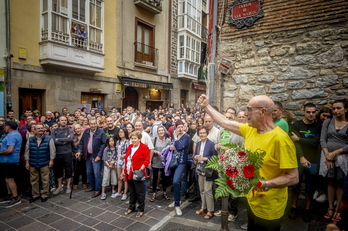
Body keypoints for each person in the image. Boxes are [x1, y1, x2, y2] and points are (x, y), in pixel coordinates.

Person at [197, 94, 298, 231]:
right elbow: (224, 122)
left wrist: (265, 184)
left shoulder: (281, 140)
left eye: (249, 109)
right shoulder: (250, 130)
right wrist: (206, 106)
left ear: (263, 112)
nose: (245, 113)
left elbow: (293, 177)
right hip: (252, 201)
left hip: (269, 209)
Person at [288, 103, 322, 222]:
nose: (311, 114)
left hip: (313, 160)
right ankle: (294, 207)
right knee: (295, 185)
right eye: (308, 112)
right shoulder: (296, 125)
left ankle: (307, 209)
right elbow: (294, 144)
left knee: (310, 186)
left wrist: (299, 139)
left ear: (315, 112)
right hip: (297, 159)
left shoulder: (319, 126)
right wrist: (302, 157)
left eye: (313, 112)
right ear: (304, 112)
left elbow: (316, 142)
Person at [319, 99, 348, 220]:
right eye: (334, 108)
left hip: (342, 158)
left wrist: (335, 153)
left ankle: (338, 210)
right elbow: (322, 139)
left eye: (339, 108)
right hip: (327, 157)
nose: (335, 111)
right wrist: (327, 154)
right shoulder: (328, 122)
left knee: (340, 183)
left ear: (346, 109)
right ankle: (330, 207)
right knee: (330, 181)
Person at [24, 123, 56, 203]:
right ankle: (35, 195)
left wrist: (51, 160)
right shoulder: (30, 139)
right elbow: (27, 151)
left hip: (44, 162)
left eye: (42, 128)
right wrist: (27, 162)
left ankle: (44, 195)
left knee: (45, 180)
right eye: (38, 128)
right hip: (33, 162)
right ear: (34, 130)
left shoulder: (49, 138)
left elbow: (52, 151)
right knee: (33, 180)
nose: (41, 130)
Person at [123, 131, 150, 218]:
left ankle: (141, 209)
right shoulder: (130, 147)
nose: (133, 140)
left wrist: (142, 168)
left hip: (137, 173)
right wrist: (124, 170)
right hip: (129, 172)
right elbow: (127, 160)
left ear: (139, 139)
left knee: (140, 192)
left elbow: (147, 160)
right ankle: (131, 207)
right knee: (132, 191)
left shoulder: (144, 147)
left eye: (135, 138)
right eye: (132, 138)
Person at [76, 118, 106, 198]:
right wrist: (79, 151)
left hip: (96, 155)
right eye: (91, 124)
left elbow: (103, 144)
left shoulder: (101, 132)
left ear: (96, 124)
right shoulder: (86, 131)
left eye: (94, 123)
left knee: (96, 173)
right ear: (89, 124)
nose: (93, 125)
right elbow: (81, 142)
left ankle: (98, 190)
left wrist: (99, 155)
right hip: (88, 155)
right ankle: (92, 186)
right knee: (89, 172)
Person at [194, 126, 218, 220]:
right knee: (202, 190)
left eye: (204, 133)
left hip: (208, 170)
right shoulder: (198, 143)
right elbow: (195, 155)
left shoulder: (211, 144)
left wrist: (205, 158)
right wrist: (195, 158)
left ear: (207, 133)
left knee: (208, 190)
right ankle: (203, 208)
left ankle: (210, 210)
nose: (202, 134)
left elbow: (215, 157)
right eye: (200, 133)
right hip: (200, 169)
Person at [168, 120, 191, 216]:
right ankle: (176, 200)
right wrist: (172, 145)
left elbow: (180, 147)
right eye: (178, 127)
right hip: (173, 162)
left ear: (184, 127)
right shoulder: (174, 135)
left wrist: (176, 138)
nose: (180, 129)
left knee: (176, 181)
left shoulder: (187, 137)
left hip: (181, 162)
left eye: (182, 127)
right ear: (176, 127)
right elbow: (171, 146)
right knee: (174, 182)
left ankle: (177, 205)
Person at [0, 121, 22, 208]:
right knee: (7, 179)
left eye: (5, 126)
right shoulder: (15, 134)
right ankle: (9, 195)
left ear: (8, 127)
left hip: (9, 160)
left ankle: (15, 198)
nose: (4, 128)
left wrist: (0, 152)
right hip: (7, 160)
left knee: (10, 179)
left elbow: (10, 150)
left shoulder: (12, 135)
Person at [51, 116, 74, 194]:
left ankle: (68, 186)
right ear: (59, 121)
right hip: (58, 153)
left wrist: (58, 139)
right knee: (58, 171)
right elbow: (53, 141)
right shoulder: (54, 131)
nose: (64, 121)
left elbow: (70, 139)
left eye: (65, 120)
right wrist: (64, 140)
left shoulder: (69, 130)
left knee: (68, 170)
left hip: (67, 153)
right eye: (62, 120)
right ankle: (59, 186)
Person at [150, 126, 171, 202]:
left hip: (165, 162)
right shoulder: (154, 139)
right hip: (156, 161)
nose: (161, 132)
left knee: (164, 178)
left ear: (164, 131)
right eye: (159, 131)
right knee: (155, 178)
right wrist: (156, 152)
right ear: (157, 132)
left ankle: (164, 192)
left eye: (162, 130)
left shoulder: (168, 140)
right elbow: (151, 149)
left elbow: (170, 150)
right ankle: (154, 193)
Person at [115, 128, 130, 200]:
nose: (120, 133)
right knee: (119, 177)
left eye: (122, 132)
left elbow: (129, 151)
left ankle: (125, 193)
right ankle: (119, 192)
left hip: (125, 162)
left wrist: (125, 155)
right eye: (119, 132)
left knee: (125, 178)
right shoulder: (118, 142)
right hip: (118, 161)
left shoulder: (128, 141)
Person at [72, 124, 87, 190]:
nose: (78, 130)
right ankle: (75, 183)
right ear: (74, 130)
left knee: (84, 170)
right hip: (75, 156)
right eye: (76, 129)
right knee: (76, 170)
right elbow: (71, 146)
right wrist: (74, 154)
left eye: (79, 128)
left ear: (81, 128)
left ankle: (84, 182)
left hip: (84, 156)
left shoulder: (85, 136)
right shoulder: (73, 137)